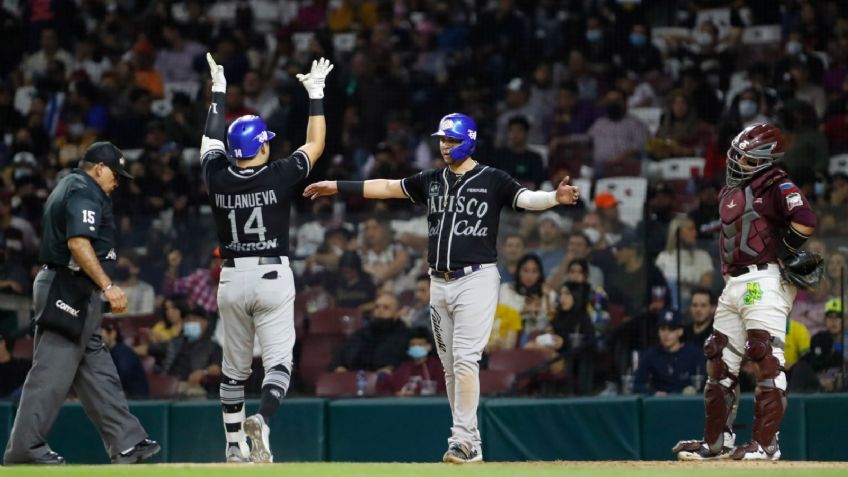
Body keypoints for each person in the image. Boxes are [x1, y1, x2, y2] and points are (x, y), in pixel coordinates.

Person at [303, 112, 579, 464]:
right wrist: (339, 186)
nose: (445, 146)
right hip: (439, 281)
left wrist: (555, 197)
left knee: (465, 359)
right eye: (442, 140)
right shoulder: (432, 179)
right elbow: (389, 187)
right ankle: (471, 442)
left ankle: (461, 439)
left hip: (476, 278)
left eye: (451, 140)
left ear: (469, 140)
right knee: (450, 366)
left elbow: (526, 199)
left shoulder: (492, 179)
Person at [202, 54, 333, 463]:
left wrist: (219, 94)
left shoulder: (216, 175)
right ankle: (264, 419)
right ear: (261, 145)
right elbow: (316, 144)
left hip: (231, 277)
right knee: (278, 364)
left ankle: (233, 445)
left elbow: (209, 141)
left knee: (234, 370)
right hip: (272, 274)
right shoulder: (278, 174)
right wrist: (316, 95)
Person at [4, 142, 159, 465]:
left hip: (75, 290)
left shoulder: (73, 186)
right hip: (67, 287)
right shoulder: (82, 188)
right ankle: (24, 450)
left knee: (97, 370)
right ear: (99, 168)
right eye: (115, 175)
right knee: (51, 370)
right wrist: (108, 285)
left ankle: (127, 442)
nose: (117, 182)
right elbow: (78, 241)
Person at [674, 123, 818, 461]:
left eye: (745, 157)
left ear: (765, 159)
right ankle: (716, 443)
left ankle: (767, 445)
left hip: (765, 278)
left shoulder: (777, 183)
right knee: (719, 360)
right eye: (736, 154)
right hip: (734, 282)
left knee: (765, 356)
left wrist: (784, 251)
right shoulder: (729, 190)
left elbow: (805, 218)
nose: (737, 161)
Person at [328, 292, 410, 373]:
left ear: (396, 313)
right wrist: (338, 366)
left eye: (386, 308)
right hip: (353, 379)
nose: (380, 311)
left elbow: (406, 363)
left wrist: (392, 369)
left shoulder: (404, 335)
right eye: (377, 307)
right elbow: (341, 354)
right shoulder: (362, 333)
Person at [633, 310, 705, 396]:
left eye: (671, 329)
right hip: (659, 405)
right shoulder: (651, 355)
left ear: (680, 331)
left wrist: (694, 390)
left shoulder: (694, 354)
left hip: (686, 404)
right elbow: (637, 385)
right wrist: (654, 393)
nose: (666, 334)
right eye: (663, 329)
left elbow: (706, 381)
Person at [101, 319, 149, 399]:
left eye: (100, 334)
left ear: (113, 334)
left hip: (135, 403)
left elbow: (120, 379)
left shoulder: (123, 353)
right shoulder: (109, 353)